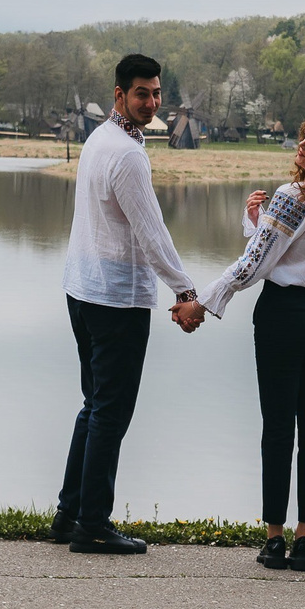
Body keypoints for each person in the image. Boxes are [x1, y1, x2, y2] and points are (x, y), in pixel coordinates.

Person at [190, 112, 305, 572]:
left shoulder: (293, 197)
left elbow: (254, 267)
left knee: (277, 427)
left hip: (283, 317)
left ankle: (274, 539)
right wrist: (257, 223)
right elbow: (287, 253)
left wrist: (201, 303)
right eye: (304, 140)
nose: (302, 147)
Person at [54, 53, 204, 555]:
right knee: (110, 413)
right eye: (142, 93)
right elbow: (153, 234)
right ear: (120, 94)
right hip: (114, 299)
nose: (152, 102)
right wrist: (185, 291)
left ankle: (69, 513)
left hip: (82, 290)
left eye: (157, 93)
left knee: (94, 405)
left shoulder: (101, 138)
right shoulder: (126, 154)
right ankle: (93, 524)